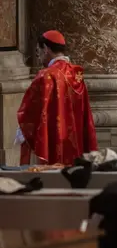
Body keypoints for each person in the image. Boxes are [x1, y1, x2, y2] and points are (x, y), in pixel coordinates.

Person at [16, 30, 98, 165]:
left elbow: (30, 112)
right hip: (75, 139)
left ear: (46, 49)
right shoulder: (76, 74)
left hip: (53, 140)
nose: (39, 56)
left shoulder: (46, 75)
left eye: (38, 51)